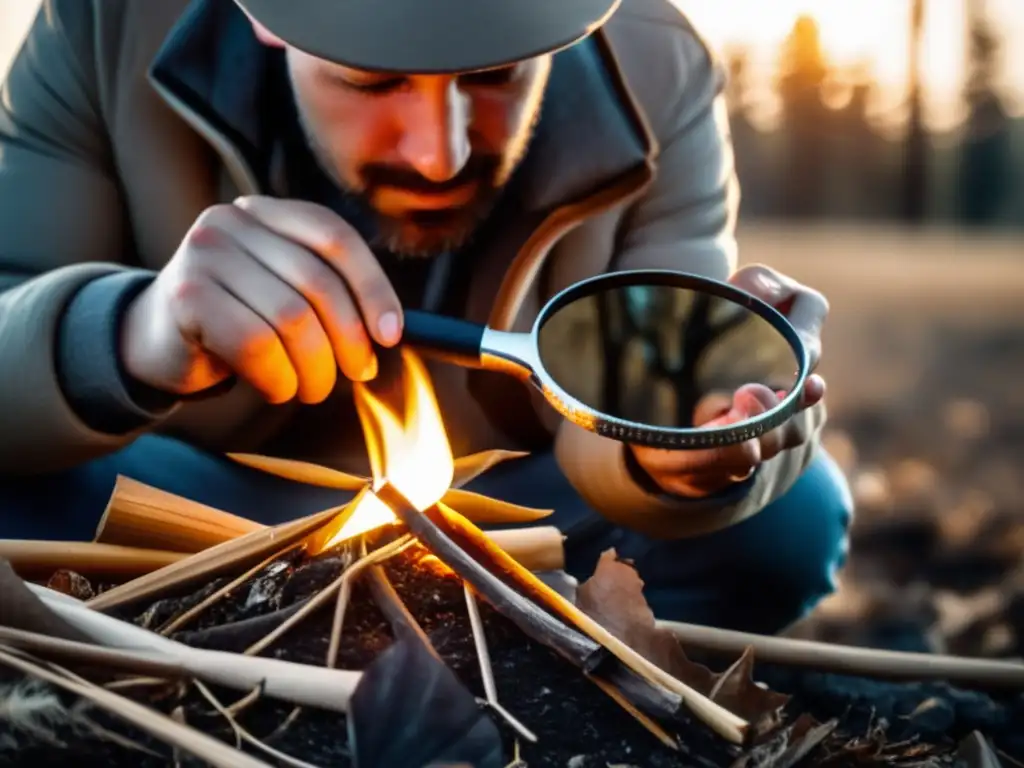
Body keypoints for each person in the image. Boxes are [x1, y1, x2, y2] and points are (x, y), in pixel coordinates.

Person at [0, 0, 852, 634]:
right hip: (181, 513)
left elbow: (643, 389)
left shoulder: (658, 62)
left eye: (496, 75)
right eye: (372, 81)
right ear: (267, 23)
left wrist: (681, 450)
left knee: (785, 517)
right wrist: (128, 336)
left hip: (514, 531)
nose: (438, 153)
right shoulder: (103, 26)